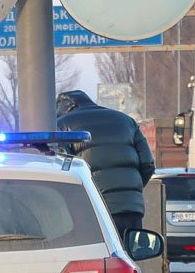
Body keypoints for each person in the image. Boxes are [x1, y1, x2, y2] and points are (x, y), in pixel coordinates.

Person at [55, 89, 155, 237]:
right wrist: (130, 190)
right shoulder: (126, 121)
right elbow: (148, 164)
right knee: (129, 253)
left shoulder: (62, 124)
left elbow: (63, 169)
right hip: (131, 207)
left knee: (99, 257)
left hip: (93, 209)